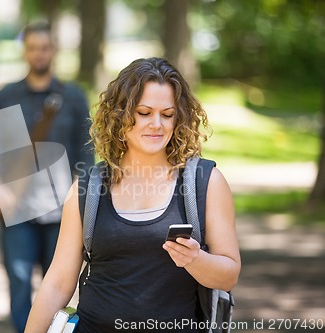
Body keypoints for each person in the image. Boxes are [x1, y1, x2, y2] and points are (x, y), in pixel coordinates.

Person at [24, 57, 241, 332]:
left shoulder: (206, 182)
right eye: (144, 112)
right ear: (121, 115)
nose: (157, 124)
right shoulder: (88, 186)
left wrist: (196, 260)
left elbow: (229, 276)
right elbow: (57, 283)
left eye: (167, 114)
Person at [0, 22, 93, 333]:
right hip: (17, 207)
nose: (39, 54)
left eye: (44, 48)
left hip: (61, 211)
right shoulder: (6, 96)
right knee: (19, 281)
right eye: (33, 48)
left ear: (54, 51)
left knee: (58, 286)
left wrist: (82, 197)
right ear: (25, 51)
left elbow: (86, 153)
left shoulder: (73, 97)